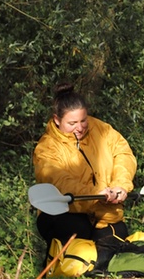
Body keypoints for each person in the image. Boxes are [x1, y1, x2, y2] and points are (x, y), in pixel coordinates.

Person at [33, 83, 138, 267]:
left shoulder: (102, 129)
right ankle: (55, 266)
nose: (80, 128)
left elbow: (123, 153)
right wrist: (99, 193)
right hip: (66, 214)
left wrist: (120, 185)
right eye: (72, 123)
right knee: (77, 230)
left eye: (83, 120)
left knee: (116, 242)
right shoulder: (46, 148)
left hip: (102, 209)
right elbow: (59, 181)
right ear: (57, 120)